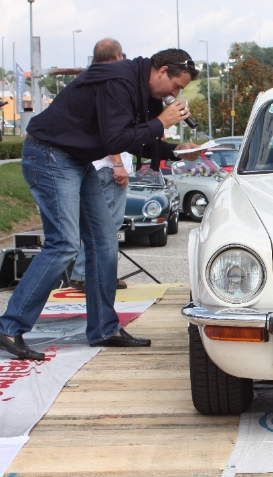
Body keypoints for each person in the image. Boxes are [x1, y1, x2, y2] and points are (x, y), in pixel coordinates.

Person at [0, 48, 200, 360]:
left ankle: (105, 329)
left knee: (105, 243)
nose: (175, 95)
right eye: (175, 87)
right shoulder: (118, 80)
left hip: (76, 159)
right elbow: (115, 141)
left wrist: (176, 151)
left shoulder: (137, 86)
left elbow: (135, 137)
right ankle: (9, 326)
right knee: (63, 243)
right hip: (50, 154)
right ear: (161, 71)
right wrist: (161, 121)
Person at [69, 38, 131, 292]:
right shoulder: (110, 85)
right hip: (107, 166)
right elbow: (110, 130)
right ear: (117, 57)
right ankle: (88, 274)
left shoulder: (90, 81)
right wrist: (117, 163)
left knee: (102, 226)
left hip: (98, 165)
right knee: (107, 226)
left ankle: (98, 273)